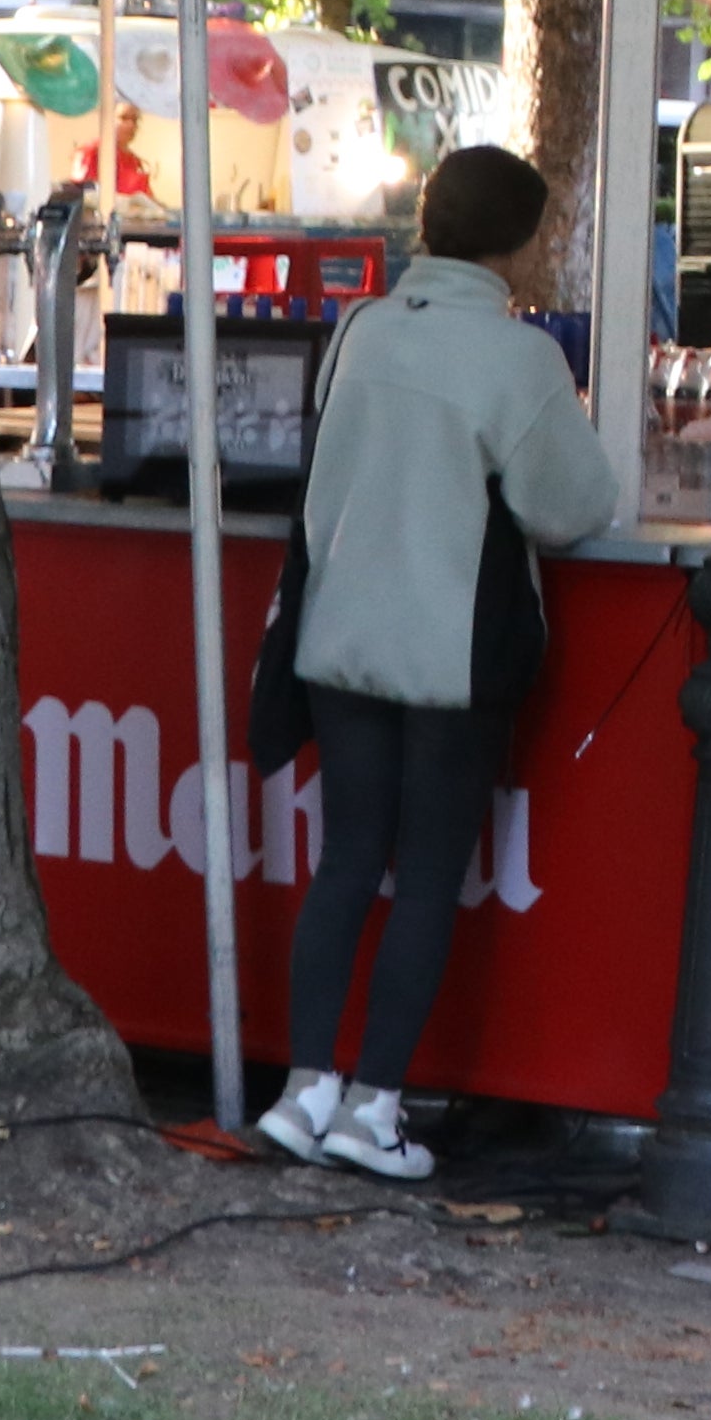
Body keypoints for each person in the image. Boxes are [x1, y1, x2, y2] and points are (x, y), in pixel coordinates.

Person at [257, 145, 632, 1182]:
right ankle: (378, 1105)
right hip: (452, 652)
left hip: (338, 637)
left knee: (344, 863)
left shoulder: (361, 330)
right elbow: (572, 505)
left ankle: (305, 1087)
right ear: (520, 242)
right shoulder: (518, 360)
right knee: (425, 877)